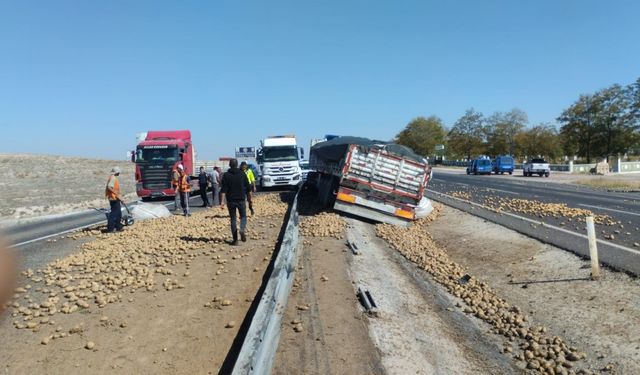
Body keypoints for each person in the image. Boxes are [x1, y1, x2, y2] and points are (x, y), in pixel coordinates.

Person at [220, 159, 251, 245]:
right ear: (237, 165)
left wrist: (222, 202)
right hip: (241, 200)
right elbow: (248, 189)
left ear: (230, 165)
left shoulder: (226, 175)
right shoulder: (242, 174)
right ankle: (242, 229)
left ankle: (235, 240)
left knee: (233, 219)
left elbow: (223, 190)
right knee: (243, 217)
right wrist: (249, 199)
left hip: (231, 201)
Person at [105, 167, 124, 233]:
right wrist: (116, 194)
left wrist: (119, 196)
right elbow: (109, 187)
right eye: (119, 172)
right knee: (114, 214)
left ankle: (118, 227)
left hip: (115, 197)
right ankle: (110, 229)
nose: (119, 173)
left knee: (118, 213)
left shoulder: (112, 177)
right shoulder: (113, 178)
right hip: (113, 198)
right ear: (117, 172)